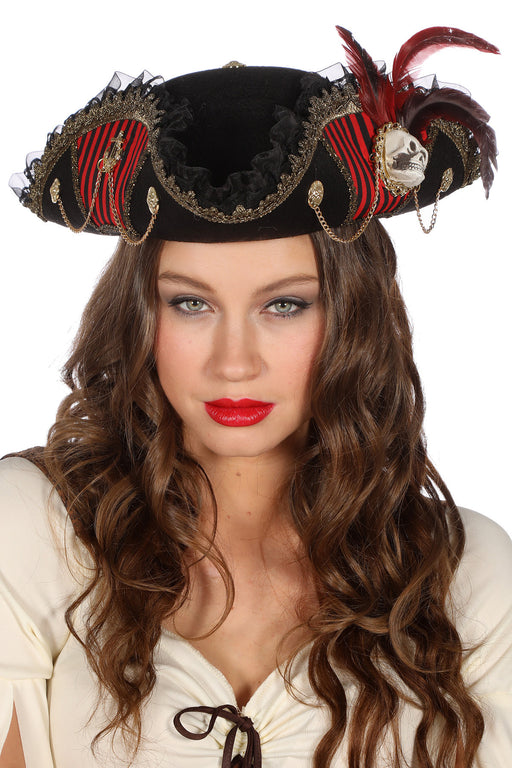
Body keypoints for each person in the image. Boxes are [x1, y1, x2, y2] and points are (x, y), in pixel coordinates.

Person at [1, 24, 511, 768]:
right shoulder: (34, 533)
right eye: (190, 304)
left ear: (355, 318)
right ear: (140, 315)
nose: (233, 363)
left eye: (284, 306)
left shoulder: (463, 577)